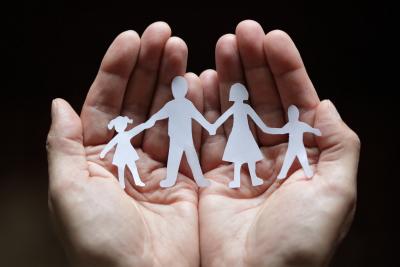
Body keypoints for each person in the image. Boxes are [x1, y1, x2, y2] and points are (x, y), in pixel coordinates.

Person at [46, 21, 360, 266]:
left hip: (210, 137)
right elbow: (162, 120)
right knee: (179, 163)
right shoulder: (174, 106)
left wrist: (212, 124)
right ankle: (181, 176)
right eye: (180, 88)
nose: (182, 92)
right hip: (180, 137)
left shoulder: (222, 106)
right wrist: (150, 124)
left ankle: (194, 176)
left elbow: (220, 121)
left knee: (198, 163)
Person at [147, 76, 214, 188]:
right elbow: (159, 114)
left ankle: (200, 180)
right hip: (175, 139)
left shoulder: (188, 104)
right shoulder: (171, 105)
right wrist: (151, 120)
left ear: (185, 90)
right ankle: (170, 180)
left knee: (192, 159)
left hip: (187, 138)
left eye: (180, 89)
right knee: (173, 159)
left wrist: (209, 126)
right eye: (175, 89)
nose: (177, 91)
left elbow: (198, 117)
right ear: (172, 90)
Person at [212, 83, 271, 188]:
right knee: (240, 159)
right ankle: (239, 180)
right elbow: (223, 118)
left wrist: (213, 127)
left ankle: (251, 178)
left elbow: (256, 119)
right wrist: (213, 127)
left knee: (247, 158)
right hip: (239, 134)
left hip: (242, 134)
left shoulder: (243, 107)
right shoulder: (239, 108)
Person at [99, 116, 154, 188]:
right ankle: (122, 184)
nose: (119, 127)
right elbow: (110, 144)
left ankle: (137, 181)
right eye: (117, 126)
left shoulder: (127, 134)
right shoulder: (118, 137)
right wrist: (103, 152)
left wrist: (145, 125)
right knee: (121, 169)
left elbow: (137, 129)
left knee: (133, 167)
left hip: (128, 154)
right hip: (121, 155)